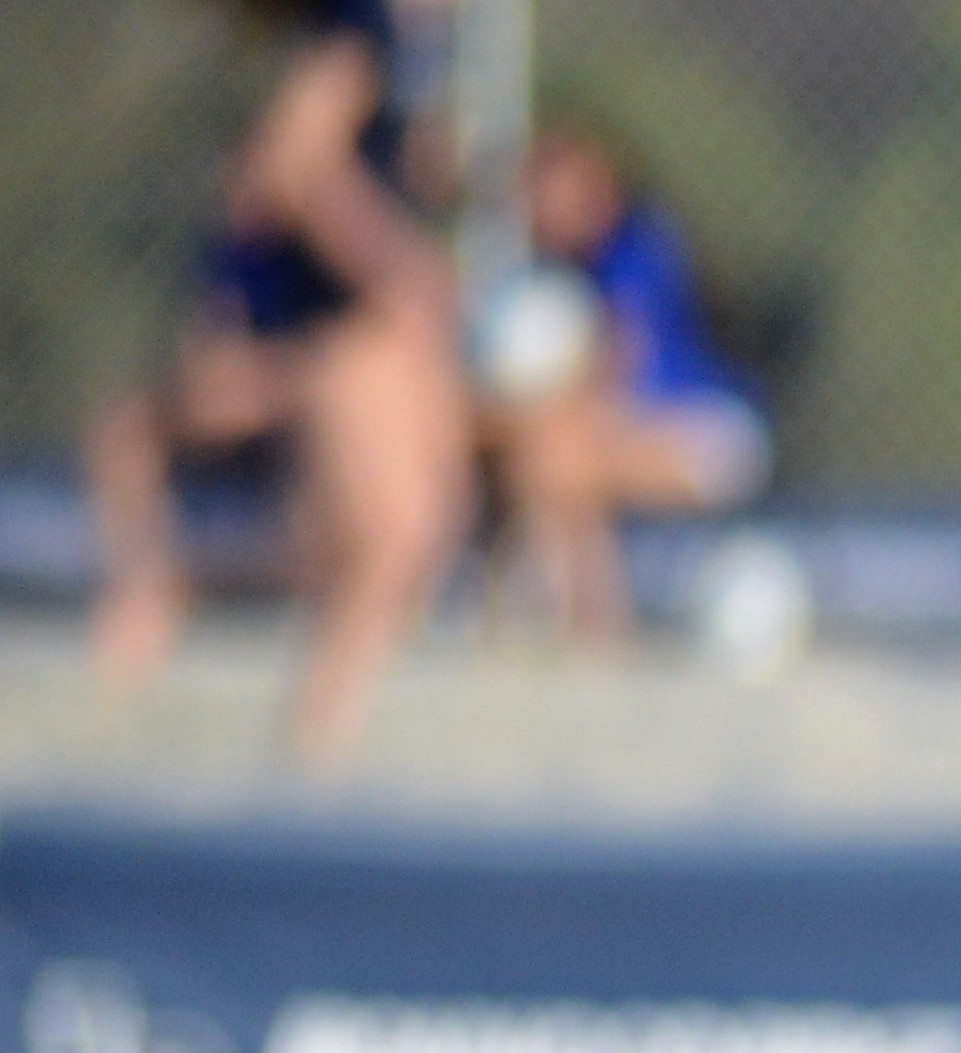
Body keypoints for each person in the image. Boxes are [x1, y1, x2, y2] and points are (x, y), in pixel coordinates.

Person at [79, 0, 469, 763]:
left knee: (398, 538)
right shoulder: (364, 30)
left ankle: (311, 726)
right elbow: (293, 160)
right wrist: (397, 268)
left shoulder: (410, 47)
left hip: (365, 335)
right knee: (392, 537)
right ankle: (315, 741)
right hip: (347, 332)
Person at [484, 121, 769, 652]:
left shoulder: (633, 253)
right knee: (554, 459)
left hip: (709, 432)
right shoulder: (556, 270)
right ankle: (579, 623)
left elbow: (610, 379)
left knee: (555, 459)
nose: (540, 208)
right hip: (640, 431)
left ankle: (586, 627)